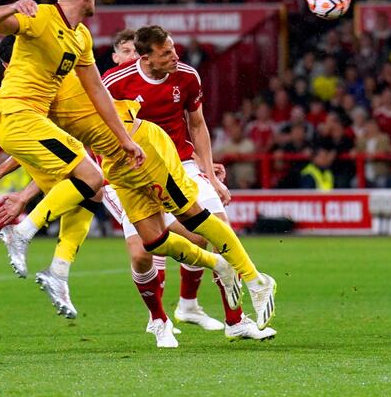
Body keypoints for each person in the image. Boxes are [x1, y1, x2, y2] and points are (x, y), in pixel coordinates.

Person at [0, 33, 276, 347]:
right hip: (119, 168)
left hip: (146, 150)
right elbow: (49, 146)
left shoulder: (80, 75)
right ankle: (181, 298)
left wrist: (204, 169)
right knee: (151, 243)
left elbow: (170, 122)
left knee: (198, 221)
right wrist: (8, 176)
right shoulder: (46, 91)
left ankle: (252, 286)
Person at [0, 0, 145, 304]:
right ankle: (20, 233)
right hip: (17, 114)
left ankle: (58, 274)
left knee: (89, 193)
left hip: (35, 125)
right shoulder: (40, 18)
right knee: (91, 176)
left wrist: (125, 142)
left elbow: (98, 91)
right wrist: (13, 6)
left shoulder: (80, 37)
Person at [103, 26, 276, 342]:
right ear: (146, 57)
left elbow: (197, 126)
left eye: (173, 48)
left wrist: (209, 174)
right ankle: (159, 318)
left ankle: (235, 319)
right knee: (144, 253)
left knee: (216, 225)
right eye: (166, 52)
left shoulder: (187, 77)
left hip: (181, 163)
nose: (175, 56)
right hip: (133, 170)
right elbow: (98, 127)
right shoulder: (115, 83)